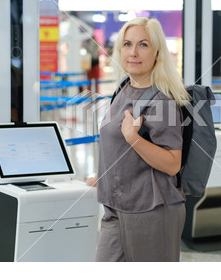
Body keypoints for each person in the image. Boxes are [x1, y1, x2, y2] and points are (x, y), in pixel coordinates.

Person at [86, 17, 190, 262]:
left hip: (151, 210)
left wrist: (134, 138)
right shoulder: (123, 88)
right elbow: (118, 148)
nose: (133, 52)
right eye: (127, 44)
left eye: (143, 45)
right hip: (115, 206)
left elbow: (173, 163)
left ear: (157, 53)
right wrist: (105, 176)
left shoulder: (162, 100)